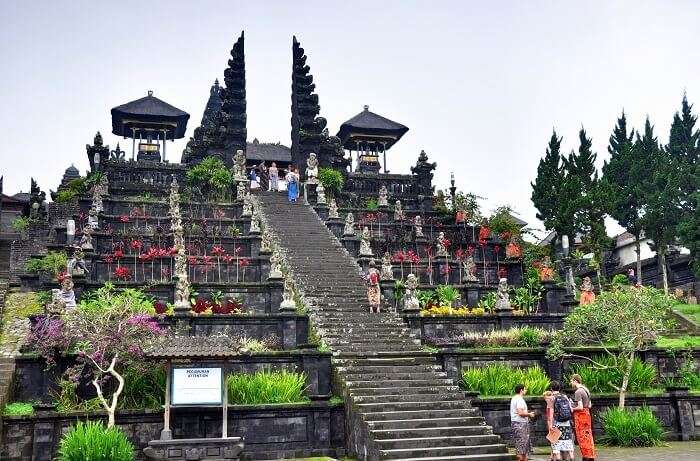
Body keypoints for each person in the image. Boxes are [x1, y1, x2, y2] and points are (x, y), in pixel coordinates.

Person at [546, 381, 574, 461]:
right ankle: (572, 457)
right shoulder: (565, 396)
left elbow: (550, 413)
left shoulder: (551, 398)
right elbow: (571, 410)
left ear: (551, 388)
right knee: (568, 442)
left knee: (556, 444)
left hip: (557, 424)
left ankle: (558, 458)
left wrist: (550, 425)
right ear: (559, 388)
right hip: (567, 424)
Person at [570, 374, 596, 461]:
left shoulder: (578, 392)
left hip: (581, 416)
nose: (571, 383)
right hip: (587, 414)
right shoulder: (586, 390)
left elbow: (580, 407)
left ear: (575, 381)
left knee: (581, 436)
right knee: (588, 435)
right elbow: (589, 405)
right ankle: (590, 455)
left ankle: (586, 456)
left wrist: (572, 408)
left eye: (571, 381)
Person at [510, 384, 535, 461]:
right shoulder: (519, 400)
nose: (526, 391)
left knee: (521, 446)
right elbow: (520, 413)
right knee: (522, 446)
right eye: (525, 389)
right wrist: (529, 414)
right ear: (521, 390)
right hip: (520, 424)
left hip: (516, 423)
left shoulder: (514, 398)